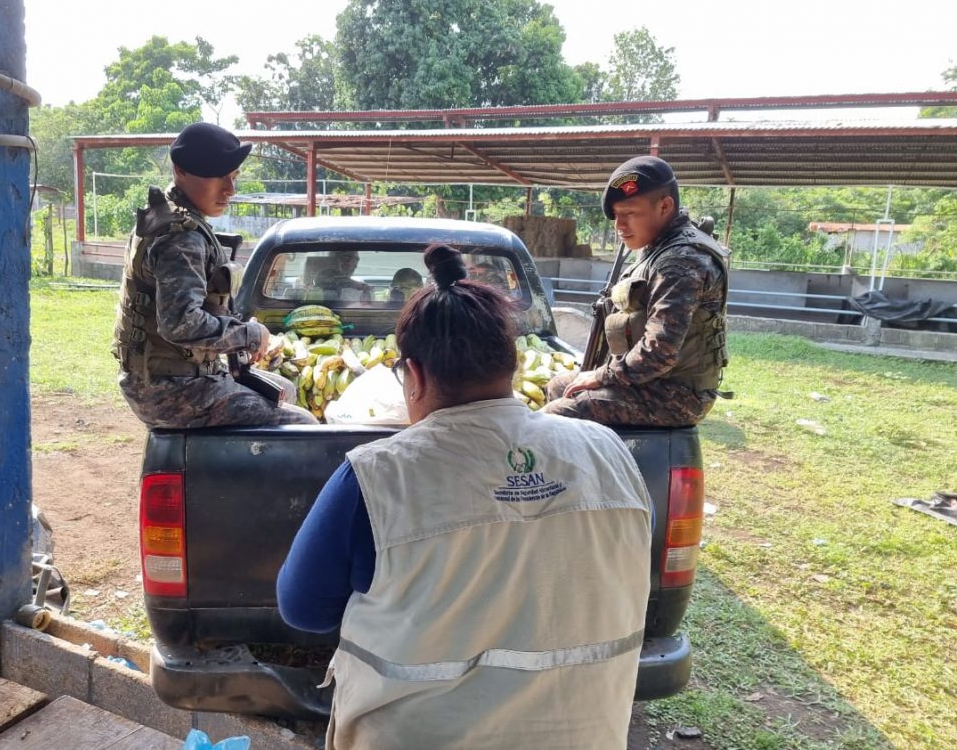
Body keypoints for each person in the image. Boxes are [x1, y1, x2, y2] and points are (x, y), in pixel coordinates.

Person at [277, 244, 652, 749]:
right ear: (512, 365)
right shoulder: (608, 452)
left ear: (415, 375)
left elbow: (303, 609)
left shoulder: (376, 476)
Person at [112, 121, 317, 428]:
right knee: (302, 425)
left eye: (233, 177)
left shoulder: (169, 215)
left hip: (166, 378)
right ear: (180, 171)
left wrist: (237, 331)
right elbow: (180, 324)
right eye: (219, 177)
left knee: (285, 389)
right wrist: (248, 335)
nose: (230, 189)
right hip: (170, 390)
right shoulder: (180, 237)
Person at [542, 155, 729, 427]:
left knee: (554, 415)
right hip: (653, 381)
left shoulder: (680, 261)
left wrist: (602, 376)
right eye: (616, 215)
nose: (619, 226)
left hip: (677, 395)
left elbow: (659, 352)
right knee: (558, 386)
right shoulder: (659, 246)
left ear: (665, 206)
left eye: (629, 213)